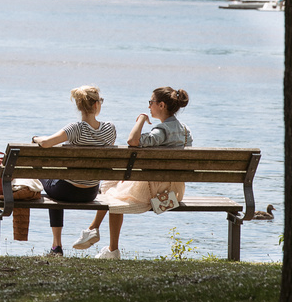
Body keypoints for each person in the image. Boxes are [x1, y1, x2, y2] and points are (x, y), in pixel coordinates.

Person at [72, 86, 192, 259]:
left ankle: (102, 239)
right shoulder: (185, 131)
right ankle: (97, 233)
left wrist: (141, 120)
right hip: (176, 192)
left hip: (156, 192)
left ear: (162, 105)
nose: (149, 106)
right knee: (113, 184)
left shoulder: (161, 131)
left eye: (151, 102)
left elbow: (132, 140)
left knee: (113, 194)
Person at [31, 86, 117, 256]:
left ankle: (57, 246)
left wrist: (35, 138)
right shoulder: (109, 129)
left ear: (79, 106)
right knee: (56, 180)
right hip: (90, 192)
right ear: (95, 106)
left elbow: (47, 142)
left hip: (66, 191)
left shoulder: (75, 129)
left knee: (42, 174)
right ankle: (56, 246)